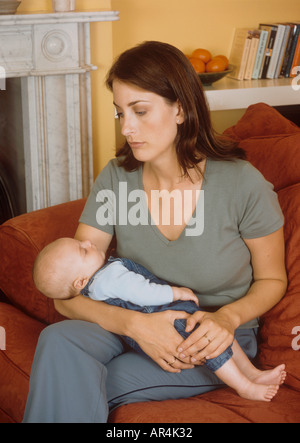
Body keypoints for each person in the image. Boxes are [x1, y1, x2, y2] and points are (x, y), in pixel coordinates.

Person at [23, 41, 288, 423]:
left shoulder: (242, 184)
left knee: (80, 379)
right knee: (58, 340)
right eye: (120, 114)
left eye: (140, 111)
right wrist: (136, 325)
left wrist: (227, 319)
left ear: (180, 107)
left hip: (208, 338)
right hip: (126, 323)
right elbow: (68, 295)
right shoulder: (116, 177)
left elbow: (272, 278)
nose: (127, 128)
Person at [33, 237, 286, 402]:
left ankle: (252, 374)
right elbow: (142, 291)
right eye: (82, 249)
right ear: (79, 282)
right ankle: (244, 384)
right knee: (210, 343)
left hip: (175, 318)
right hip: (169, 317)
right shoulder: (108, 277)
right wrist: (174, 292)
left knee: (217, 334)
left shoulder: (94, 284)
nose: (88, 242)